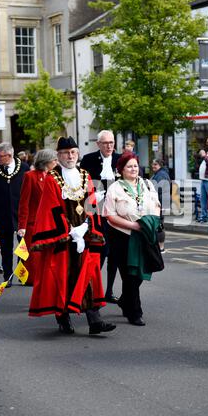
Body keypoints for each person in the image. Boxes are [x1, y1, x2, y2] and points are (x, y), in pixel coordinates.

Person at [28, 136, 116, 336]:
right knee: (63, 277)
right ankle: (63, 318)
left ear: (78, 154)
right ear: (58, 155)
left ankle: (95, 321)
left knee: (88, 276)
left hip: (84, 235)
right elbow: (50, 208)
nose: (70, 156)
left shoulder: (85, 175)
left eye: (73, 152)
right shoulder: (52, 178)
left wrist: (86, 227)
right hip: (64, 237)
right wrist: (70, 231)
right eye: (66, 153)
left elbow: (91, 205)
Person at [103, 152, 161, 326]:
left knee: (141, 274)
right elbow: (109, 215)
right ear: (121, 170)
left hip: (145, 235)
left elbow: (157, 206)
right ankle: (135, 312)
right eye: (129, 166)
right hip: (123, 236)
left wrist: (151, 222)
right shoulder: (115, 188)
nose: (133, 169)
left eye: (135, 165)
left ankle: (124, 300)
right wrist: (134, 226)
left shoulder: (148, 184)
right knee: (129, 275)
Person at [80, 130, 121, 304]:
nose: (109, 146)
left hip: (117, 212)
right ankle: (92, 291)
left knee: (116, 255)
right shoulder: (89, 160)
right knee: (99, 253)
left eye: (111, 142)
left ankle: (109, 291)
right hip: (96, 212)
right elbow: (83, 184)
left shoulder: (120, 159)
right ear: (98, 144)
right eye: (105, 143)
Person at [0, 142, 30, 287]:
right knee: (5, 248)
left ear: (10, 155)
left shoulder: (24, 168)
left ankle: (23, 274)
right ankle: (8, 276)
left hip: (21, 214)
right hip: (2, 214)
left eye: (0, 156)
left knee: (23, 246)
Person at [17, 149, 58, 285]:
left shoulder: (56, 176)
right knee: (31, 255)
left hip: (52, 222)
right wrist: (22, 226)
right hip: (33, 223)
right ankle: (29, 279)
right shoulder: (30, 176)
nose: (56, 162)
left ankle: (47, 277)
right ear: (46, 161)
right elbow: (24, 203)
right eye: (54, 160)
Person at [150, 158, 171, 253]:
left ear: (160, 165)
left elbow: (157, 189)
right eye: (153, 164)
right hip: (160, 202)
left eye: (155, 164)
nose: (153, 166)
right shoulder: (159, 174)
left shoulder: (161, 175)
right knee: (158, 224)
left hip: (160, 202)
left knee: (159, 225)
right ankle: (158, 246)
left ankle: (161, 247)